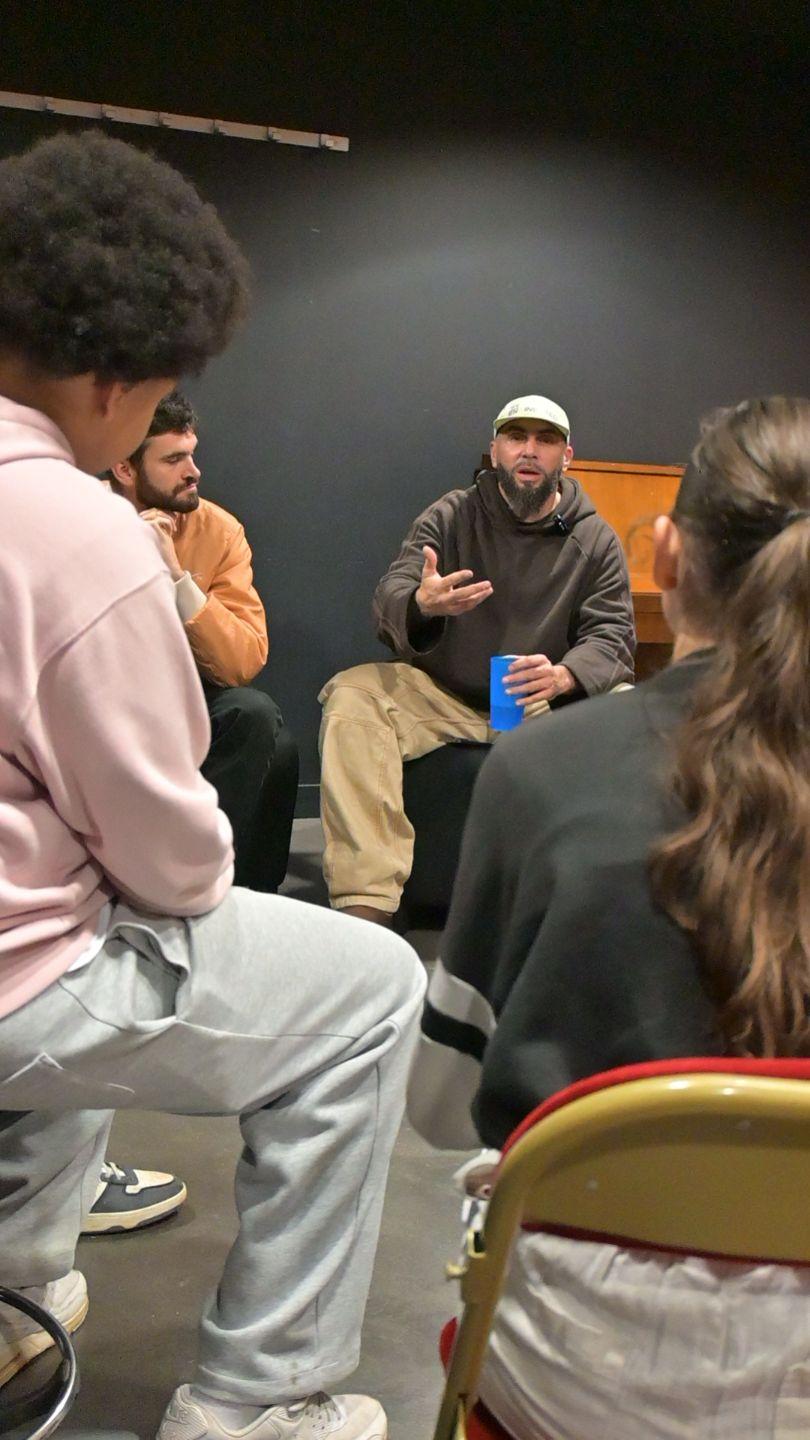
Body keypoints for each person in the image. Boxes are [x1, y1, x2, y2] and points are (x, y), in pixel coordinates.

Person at [0, 128, 425, 1440]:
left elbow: (237, 649)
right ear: (120, 378)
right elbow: (173, 861)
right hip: (19, 975)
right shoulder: (75, 528)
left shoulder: (188, 531)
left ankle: (13, 1287)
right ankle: (261, 1394)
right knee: (371, 990)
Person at [408, 396, 810, 1439]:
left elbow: (443, 1108)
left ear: (667, 554)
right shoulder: (453, 514)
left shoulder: (540, 772)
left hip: (579, 1374)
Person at [318, 395, 635, 924]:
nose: (529, 450)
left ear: (566, 456)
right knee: (353, 695)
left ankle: (603, 908)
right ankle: (365, 907)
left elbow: (614, 634)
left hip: (537, 702)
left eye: (545, 440)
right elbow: (391, 594)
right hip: (445, 696)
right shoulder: (451, 514)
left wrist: (564, 675)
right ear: (494, 450)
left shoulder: (594, 537)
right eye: (516, 437)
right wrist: (421, 604)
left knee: (627, 709)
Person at [109, 390, 299, 894]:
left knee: (257, 717)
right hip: (104, 699)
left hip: (185, 697)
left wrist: (176, 576)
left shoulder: (218, 530)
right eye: (173, 460)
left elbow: (242, 661)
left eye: (192, 455)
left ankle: (213, 889)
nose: (193, 471)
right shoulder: (84, 521)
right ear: (125, 469)